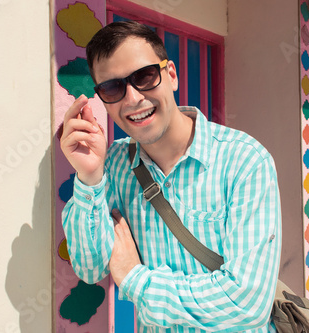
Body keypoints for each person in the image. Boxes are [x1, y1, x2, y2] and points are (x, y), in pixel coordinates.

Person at [60, 20, 281, 332]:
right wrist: (90, 177)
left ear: (171, 75)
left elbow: (246, 305)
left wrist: (135, 279)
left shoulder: (243, 160)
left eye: (145, 76)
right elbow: (89, 266)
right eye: (112, 88)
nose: (133, 98)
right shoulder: (113, 166)